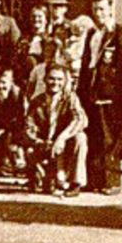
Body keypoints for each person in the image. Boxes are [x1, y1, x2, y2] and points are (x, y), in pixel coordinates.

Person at [77, 0, 122, 195]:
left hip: (110, 95)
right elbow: (88, 65)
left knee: (109, 138)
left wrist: (117, 94)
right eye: (95, 9)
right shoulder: (93, 35)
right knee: (94, 136)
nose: (98, 13)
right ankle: (93, 180)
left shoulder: (120, 32)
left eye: (102, 9)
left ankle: (112, 182)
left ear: (110, 9)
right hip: (92, 93)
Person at [24, 63, 88, 197]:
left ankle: (75, 183)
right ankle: (42, 176)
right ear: (45, 79)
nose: (55, 83)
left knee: (80, 138)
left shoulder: (70, 98)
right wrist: (42, 142)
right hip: (45, 146)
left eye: (60, 79)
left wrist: (62, 138)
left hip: (64, 146)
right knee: (29, 151)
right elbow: (28, 127)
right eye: (52, 78)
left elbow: (80, 119)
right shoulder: (37, 101)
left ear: (65, 82)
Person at [14, 5, 50, 87]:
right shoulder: (24, 39)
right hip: (24, 80)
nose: (36, 19)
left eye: (40, 16)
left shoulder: (50, 39)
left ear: (46, 20)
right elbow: (16, 59)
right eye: (34, 16)